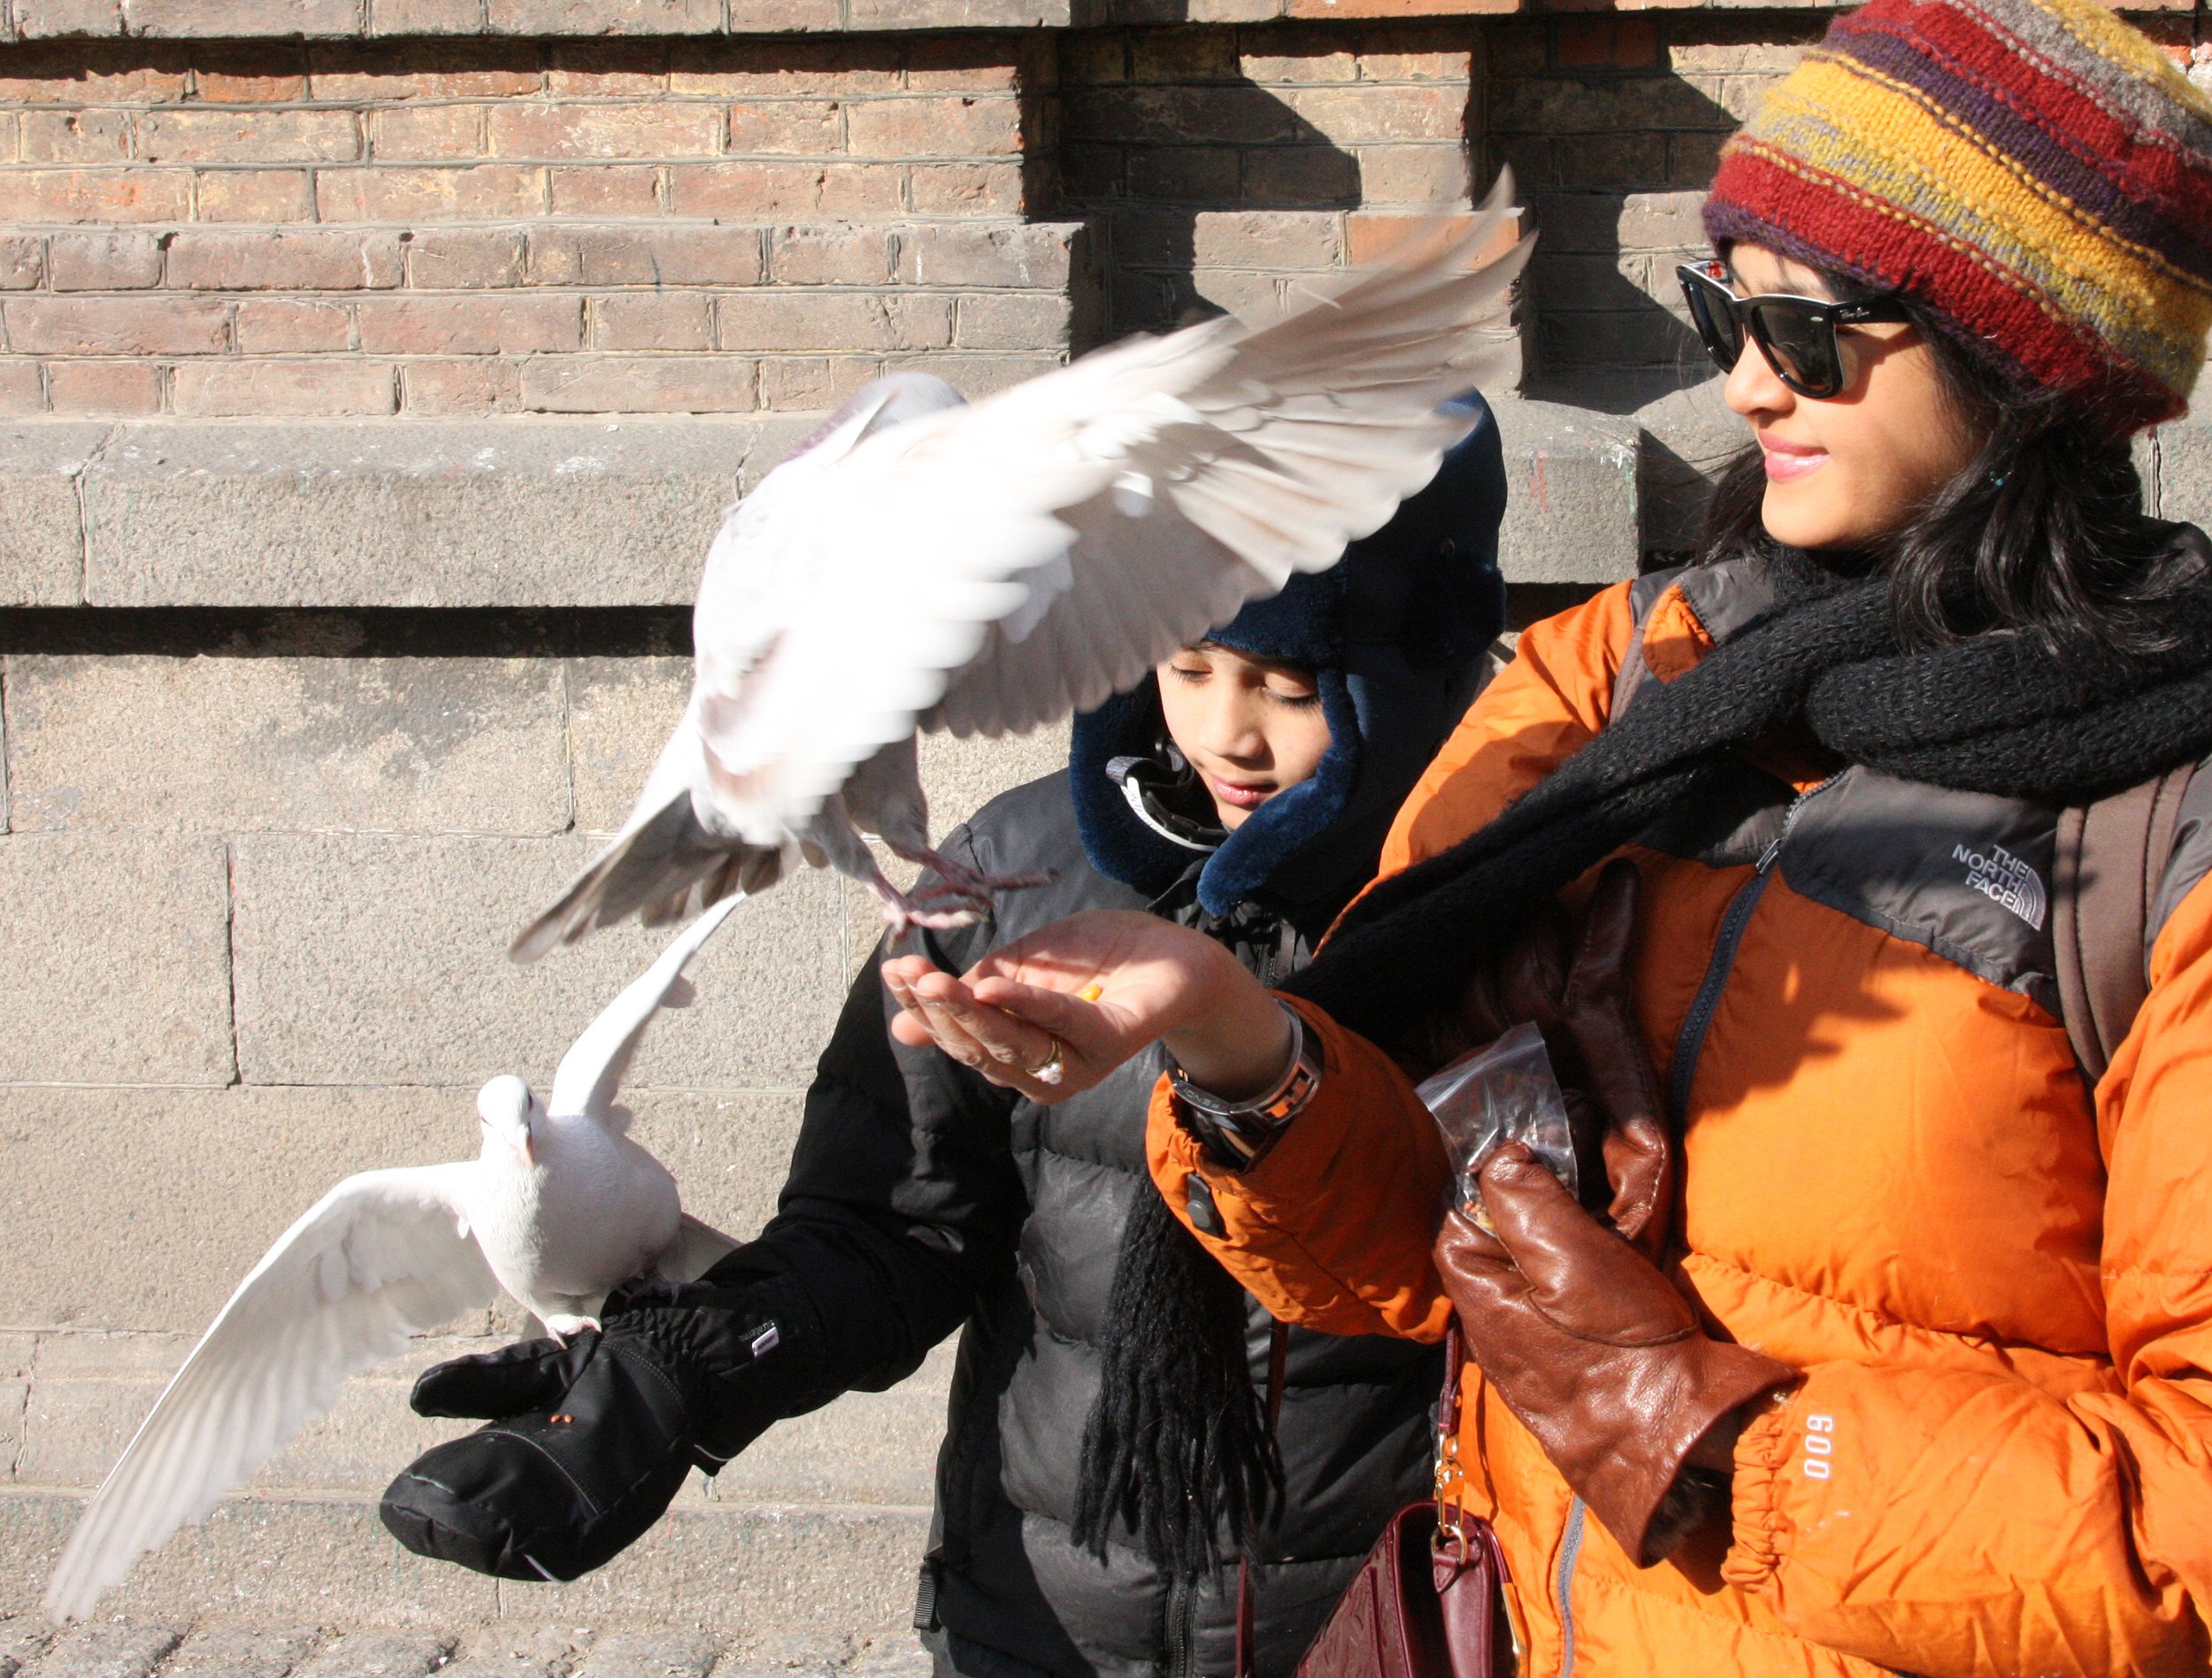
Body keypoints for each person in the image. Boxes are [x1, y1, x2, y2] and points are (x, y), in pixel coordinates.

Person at [873, 1, 2212, 1671]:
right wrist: (1232, 1042)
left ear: (2029, 365)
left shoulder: (2165, 815)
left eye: (1808, 333)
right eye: (1724, 309)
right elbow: (1416, 1250)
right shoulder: (1620, 679)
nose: (1743, 381)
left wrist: (1705, 1439)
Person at [379, 396, 1510, 1678]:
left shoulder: (1519, 900)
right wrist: (690, 1368)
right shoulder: (1009, 875)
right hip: (1042, 1620)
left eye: (1287, 687)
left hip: (1393, 1622)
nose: (1222, 733)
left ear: (1412, 674)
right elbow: (892, 1227)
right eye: (1187, 665)